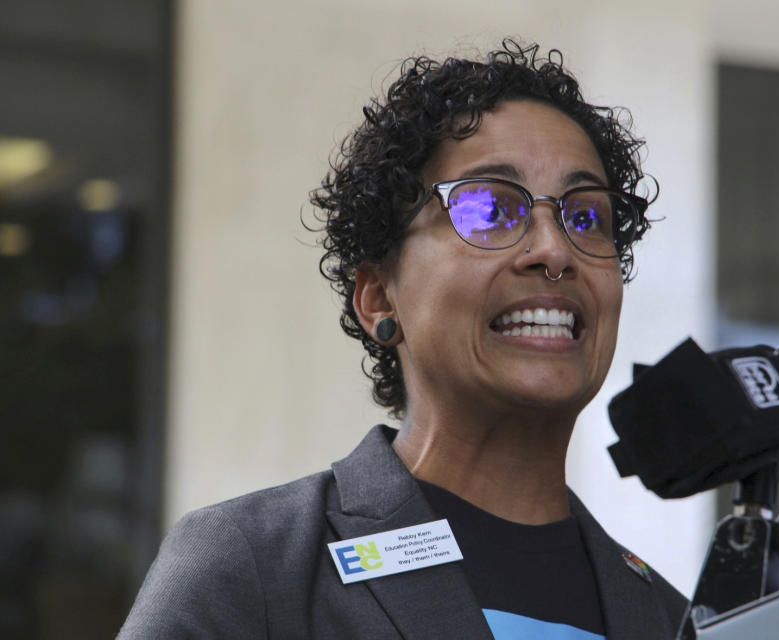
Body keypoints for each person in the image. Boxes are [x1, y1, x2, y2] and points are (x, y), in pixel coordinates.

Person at [118, 40, 687, 639]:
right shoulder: (254, 567)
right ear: (379, 299)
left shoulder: (671, 620)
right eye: (490, 208)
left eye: (585, 216)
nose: (553, 250)